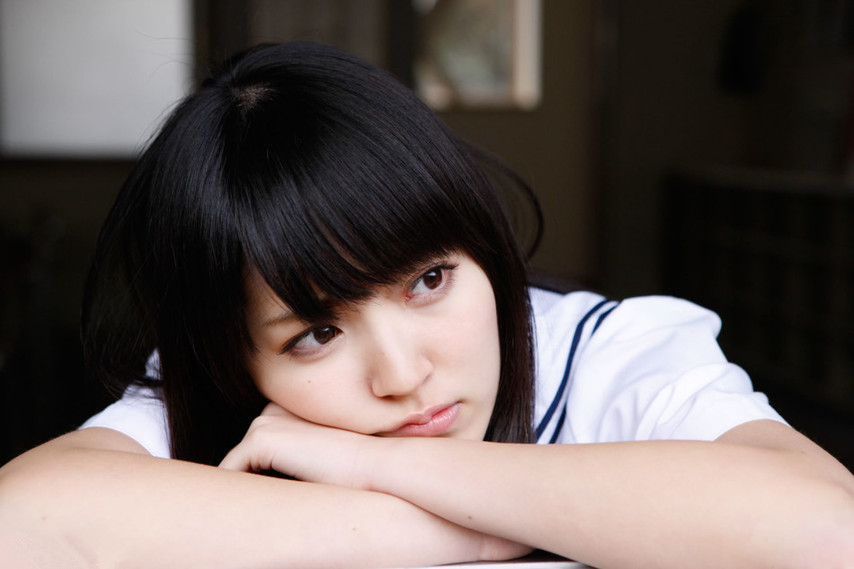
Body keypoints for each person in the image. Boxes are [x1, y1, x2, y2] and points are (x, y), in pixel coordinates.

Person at [1, 42, 852, 569]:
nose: (404, 373)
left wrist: (380, 466)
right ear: (238, 360)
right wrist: (460, 533)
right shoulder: (213, 390)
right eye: (317, 332)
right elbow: (22, 524)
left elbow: (827, 529)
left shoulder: (603, 354)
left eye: (429, 281)